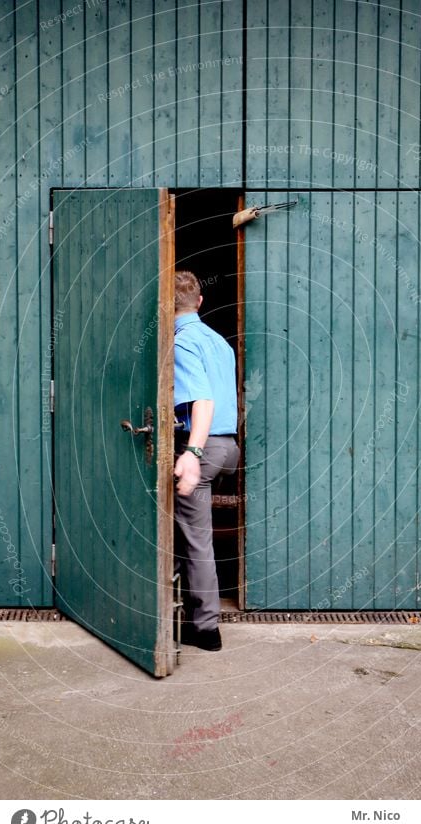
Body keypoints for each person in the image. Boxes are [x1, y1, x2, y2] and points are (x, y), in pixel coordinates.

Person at [173, 270, 240, 651]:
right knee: (184, 527)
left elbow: (203, 400)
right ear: (200, 301)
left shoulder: (181, 343)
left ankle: (205, 628)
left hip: (203, 446)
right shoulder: (218, 341)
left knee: (197, 539)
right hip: (228, 446)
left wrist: (192, 453)